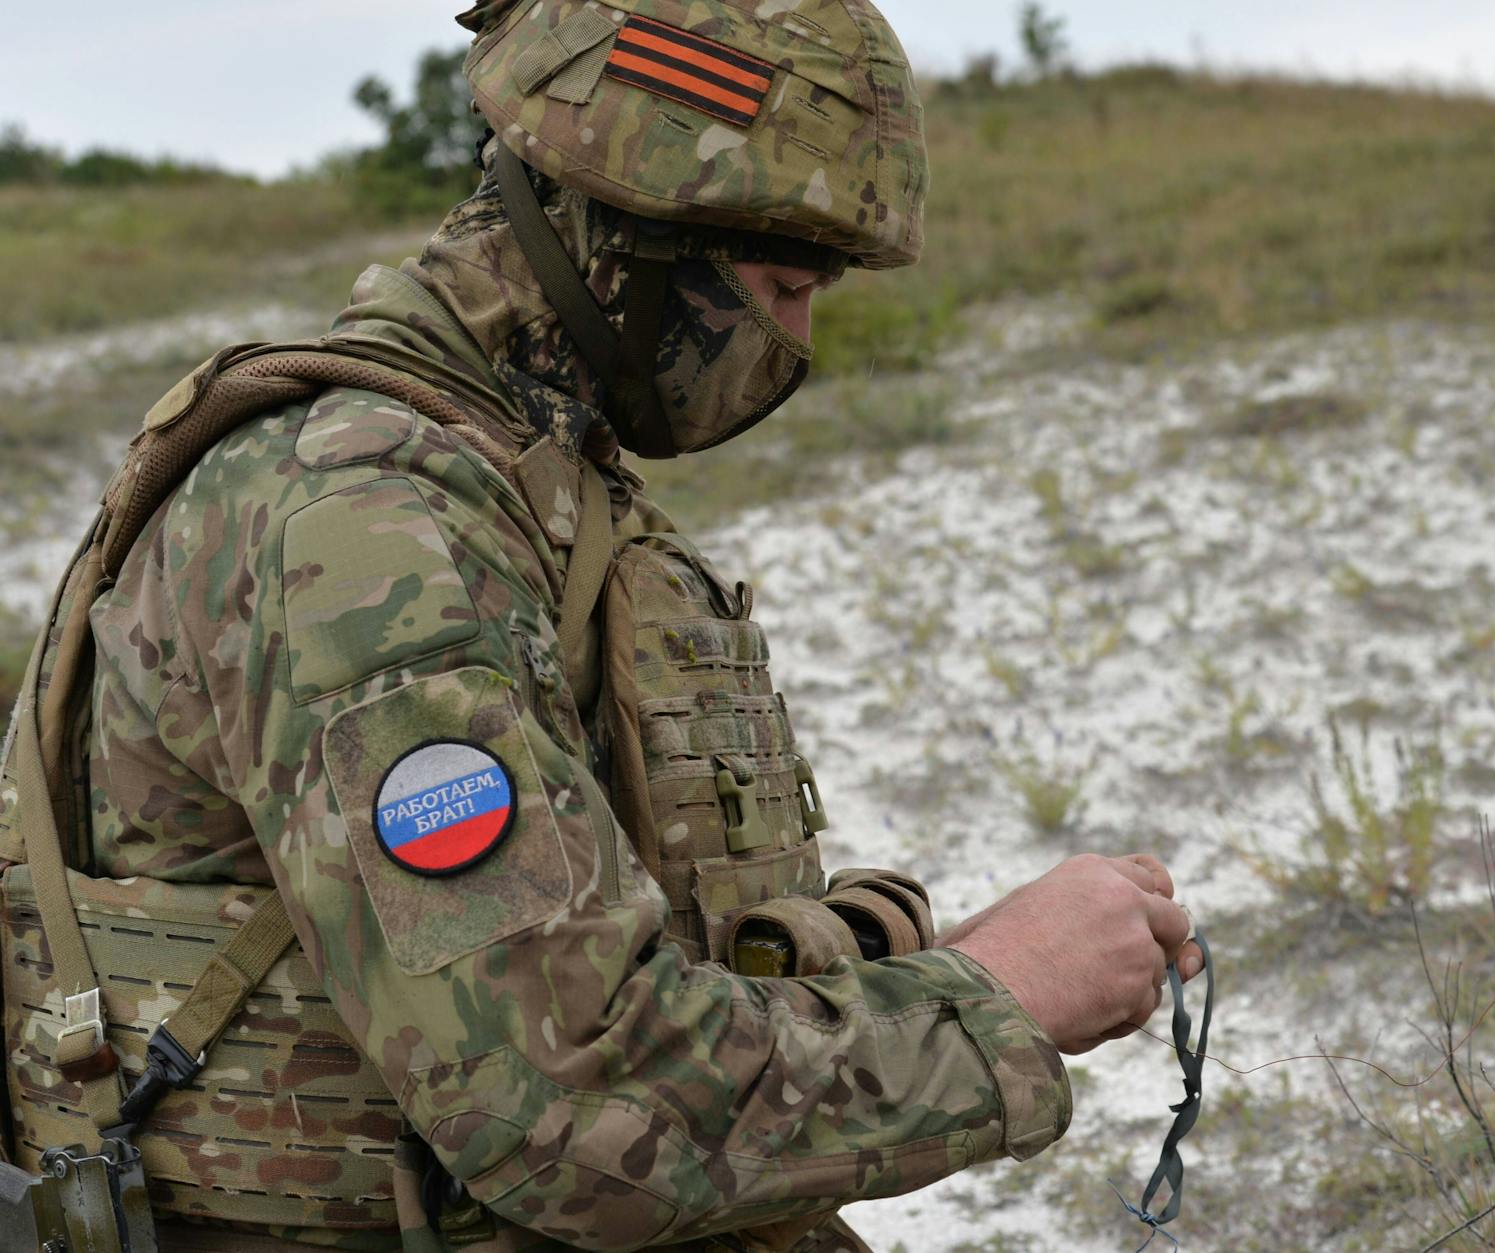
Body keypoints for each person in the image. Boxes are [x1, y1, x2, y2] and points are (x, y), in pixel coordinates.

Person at [0, 3, 1203, 1250]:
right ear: (633, 228)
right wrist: (1001, 994)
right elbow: (575, 1112)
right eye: (783, 284)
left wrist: (892, 957)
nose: (798, 339)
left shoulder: (524, 487)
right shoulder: (362, 529)